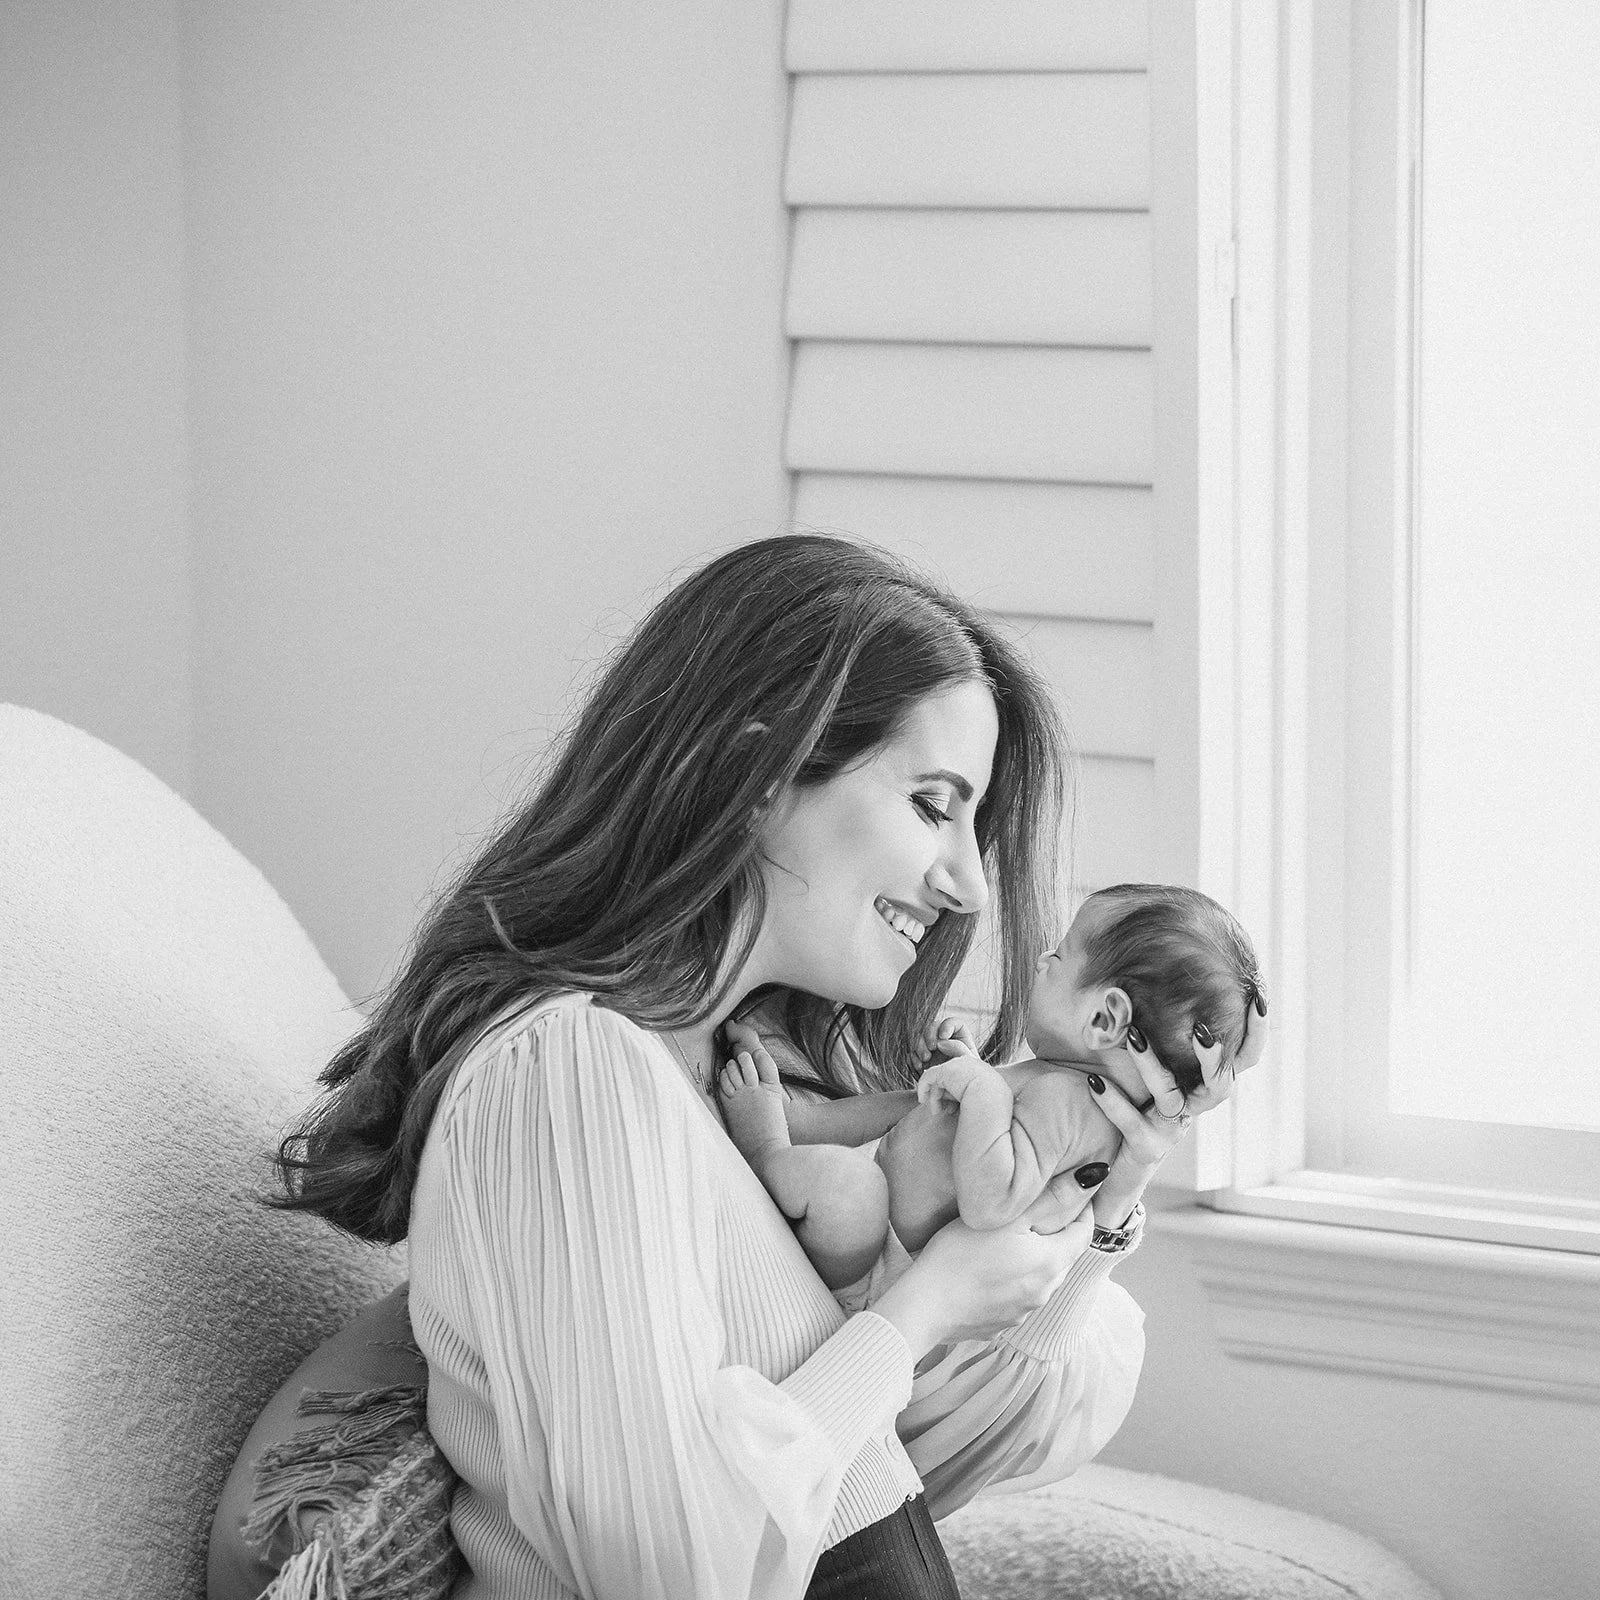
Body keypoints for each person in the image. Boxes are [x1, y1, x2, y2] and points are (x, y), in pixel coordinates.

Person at [218, 534, 1263, 1600]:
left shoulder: (739, 1089)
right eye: (934, 804)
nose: (968, 888)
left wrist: (1096, 1206)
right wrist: (925, 1305)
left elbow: (930, 1450)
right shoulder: (565, 1074)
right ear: (758, 773)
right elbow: (663, 1569)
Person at [714, 883, 1263, 1314]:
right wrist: (958, 1072)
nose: (1043, 960)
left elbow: (991, 1201)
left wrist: (981, 1088)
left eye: (1061, 953)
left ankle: (765, 1147)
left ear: (1105, 1018)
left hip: (880, 1272)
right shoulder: (1062, 1082)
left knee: (848, 1186)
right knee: (910, 1106)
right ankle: (796, 1123)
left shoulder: (1074, 1108)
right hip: (886, 1224)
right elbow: (972, 1141)